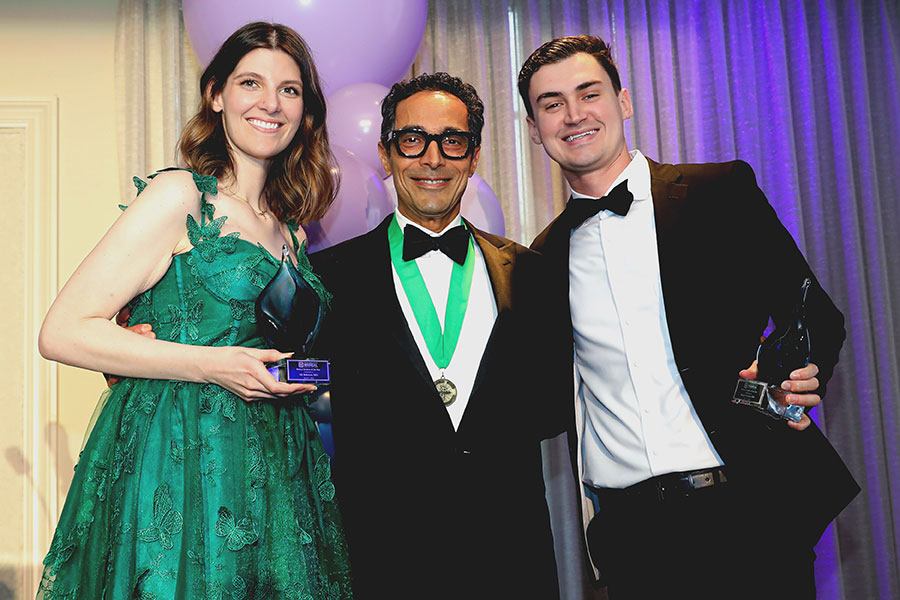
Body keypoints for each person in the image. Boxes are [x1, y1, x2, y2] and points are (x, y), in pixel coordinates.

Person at [518, 35, 860, 598]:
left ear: (623, 101)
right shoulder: (541, 258)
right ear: (534, 129)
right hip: (633, 537)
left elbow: (814, 313)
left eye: (589, 93)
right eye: (552, 104)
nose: (574, 114)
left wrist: (794, 380)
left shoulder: (719, 191)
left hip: (752, 512)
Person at [37, 22, 352, 599]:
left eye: (288, 90)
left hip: (278, 464)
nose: (270, 103)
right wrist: (209, 364)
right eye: (250, 83)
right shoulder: (181, 196)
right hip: (181, 458)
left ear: (304, 110)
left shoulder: (293, 231)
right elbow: (61, 332)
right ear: (216, 95)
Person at [308, 73, 570, 599]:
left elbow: (555, 404)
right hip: (385, 556)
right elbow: (295, 385)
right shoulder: (328, 277)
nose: (433, 159)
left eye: (452, 141)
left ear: (473, 158)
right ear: (386, 155)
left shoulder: (532, 271)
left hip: (511, 554)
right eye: (413, 140)